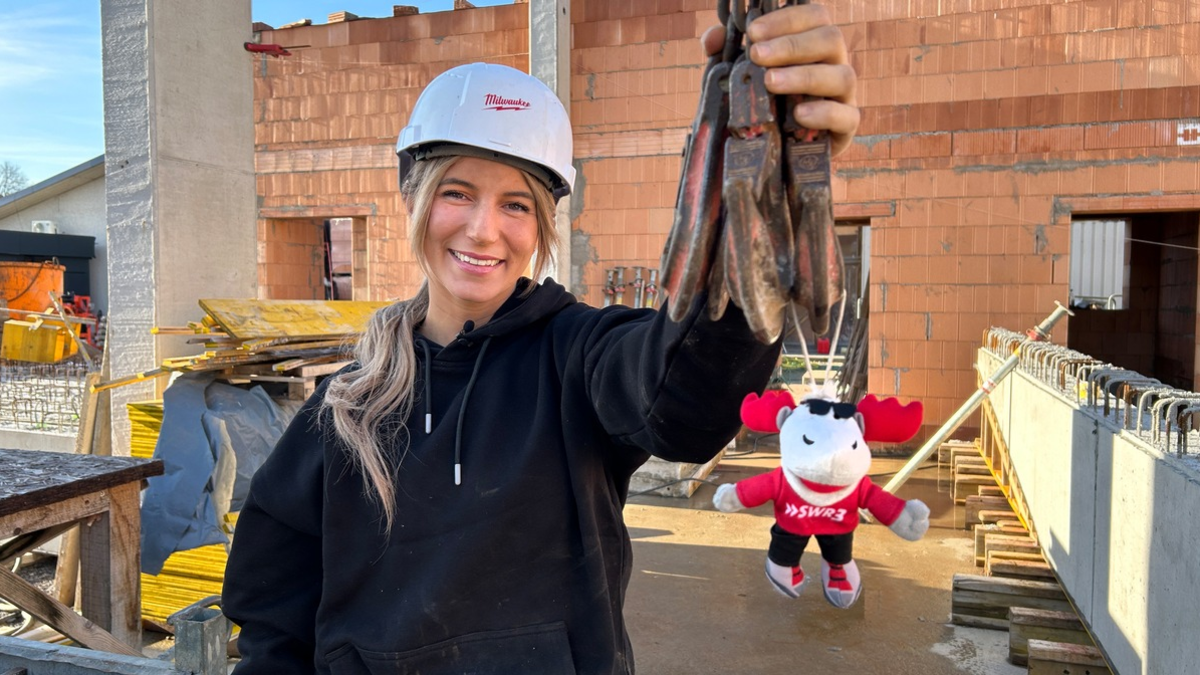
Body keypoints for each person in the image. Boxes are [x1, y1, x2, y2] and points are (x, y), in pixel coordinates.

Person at [222, 6, 860, 674]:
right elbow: (274, 623)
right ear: (412, 195)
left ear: (543, 225)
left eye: (516, 204)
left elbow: (687, 397)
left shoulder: (578, 360)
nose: (482, 229)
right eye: (457, 192)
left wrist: (761, 189)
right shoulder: (343, 411)